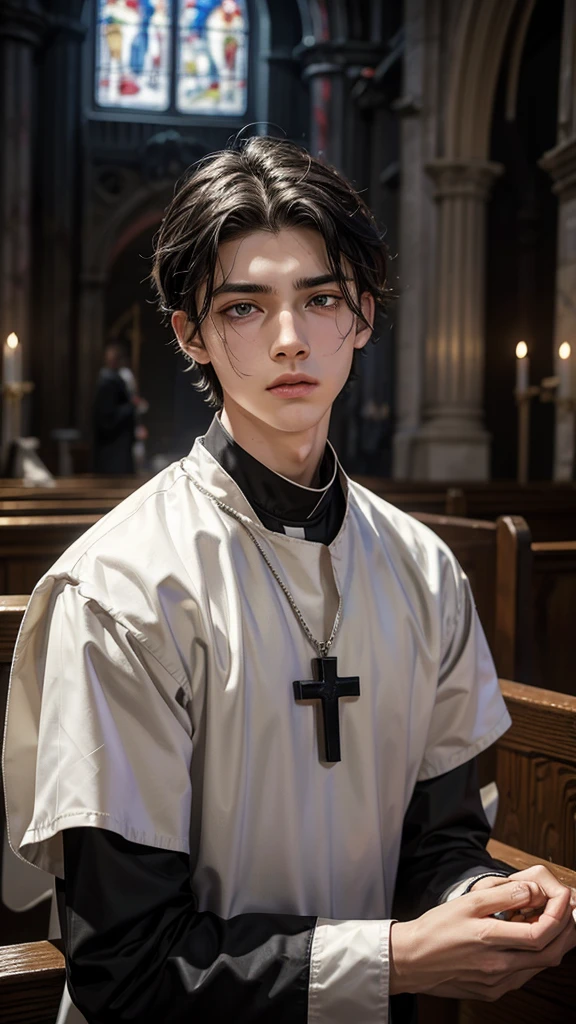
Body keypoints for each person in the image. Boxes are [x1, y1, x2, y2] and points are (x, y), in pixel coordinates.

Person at [3, 137, 576, 1024]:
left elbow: (440, 845)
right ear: (189, 328)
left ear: (363, 317)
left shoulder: (426, 572)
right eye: (243, 306)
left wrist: (487, 898)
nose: (288, 339)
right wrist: (395, 959)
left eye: (320, 299)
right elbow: (125, 965)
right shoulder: (120, 590)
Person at [92, 342, 137, 473]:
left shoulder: (116, 379)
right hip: (113, 445)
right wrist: (130, 407)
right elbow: (106, 417)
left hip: (120, 441)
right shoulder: (108, 383)